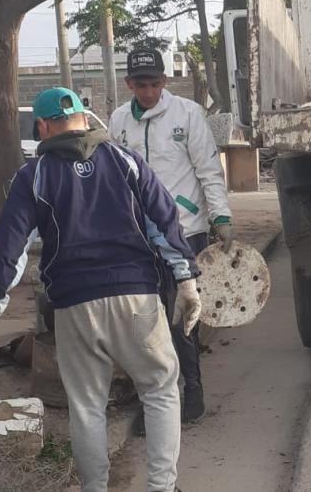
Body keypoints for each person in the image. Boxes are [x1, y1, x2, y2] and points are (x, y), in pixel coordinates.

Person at [0, 87, 199, 492]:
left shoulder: (33, 176)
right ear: (83, 118)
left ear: (42, 127)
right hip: (138, 298)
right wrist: (186, 279)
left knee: (88, 406)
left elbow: (9, 249)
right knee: (160, 390)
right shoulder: (126, 161)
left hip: (75, 305)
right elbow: (165, 221)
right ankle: (161, 488)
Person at [109, 48, 233, 426]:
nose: (148, 91)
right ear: (129, 84)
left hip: (184, 231)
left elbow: (208, 168)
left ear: (165, 81)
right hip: (138, 236)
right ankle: (156, 402)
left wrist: (221, 215)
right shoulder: (118, 121)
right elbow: (113, 178)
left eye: (155, 83)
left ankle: (192, 389)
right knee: (146, 320)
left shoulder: (188, 114)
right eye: (140, 84)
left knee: (184, 316)